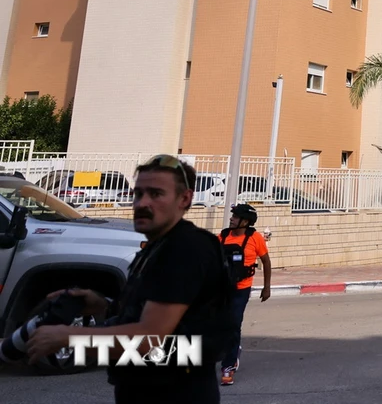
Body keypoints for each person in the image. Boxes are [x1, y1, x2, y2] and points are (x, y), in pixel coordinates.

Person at [25, 155, 232, 404]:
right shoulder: (157, 247)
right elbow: (157, 316)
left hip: (174, 393)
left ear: (184, 199)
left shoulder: (185, 248)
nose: (142, 203)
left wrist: (69, 337)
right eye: (138, 193)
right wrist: (103, 304)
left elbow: (149, 339)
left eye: (156, 194)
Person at [218, 202, 271, 385]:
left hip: (242, 288)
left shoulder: (255, 238)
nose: (231, 219)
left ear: (245, 221)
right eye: (232, 216)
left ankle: (229, 366)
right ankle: (232, 349)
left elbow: (266, 261)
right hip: (222, 288)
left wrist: (267, 287)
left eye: (235, 217)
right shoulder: (223, 236)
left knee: (233, 323)